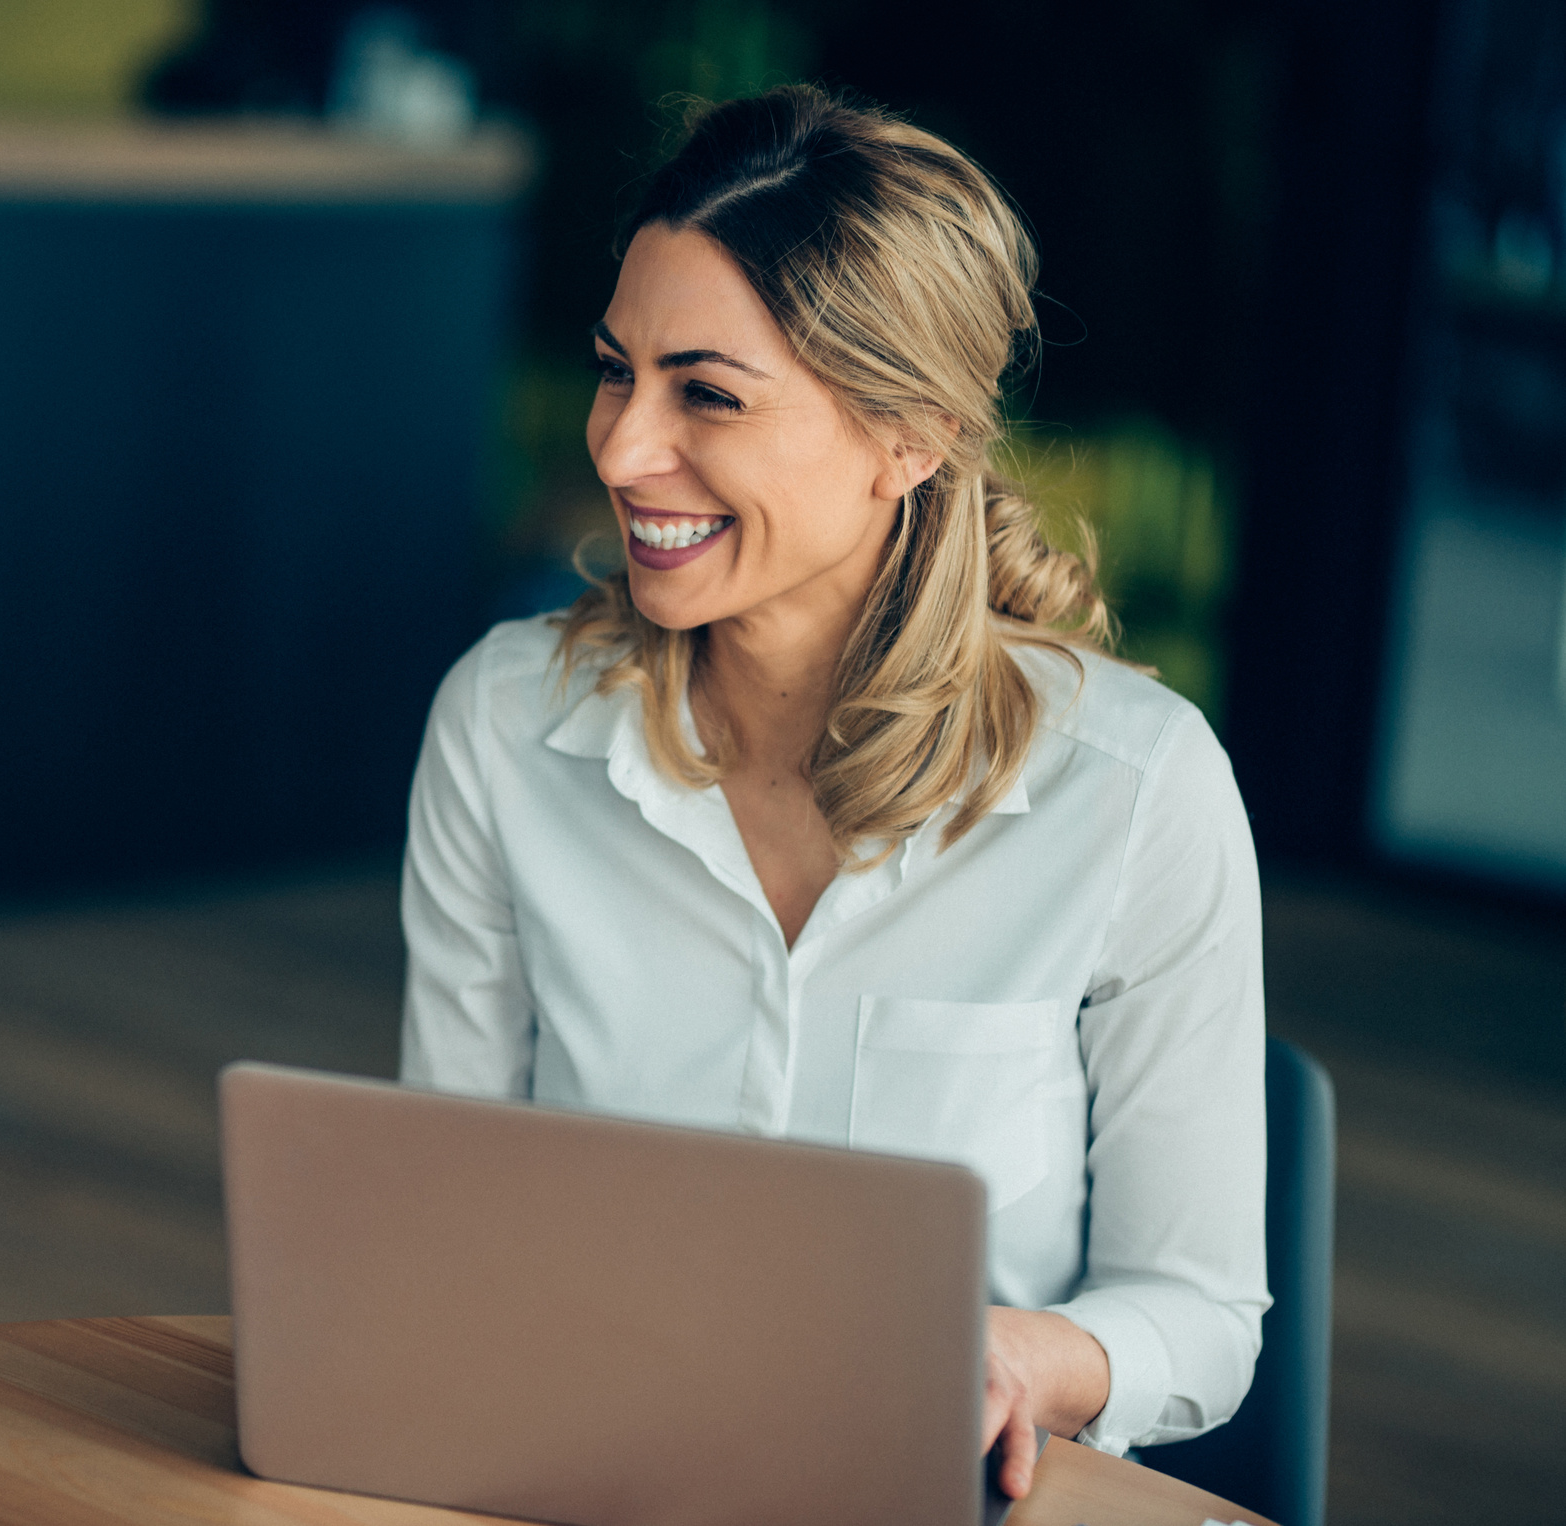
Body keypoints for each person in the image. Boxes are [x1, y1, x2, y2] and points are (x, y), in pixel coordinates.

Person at [397, 85, 1267, 1502]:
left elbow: (1198, 1313)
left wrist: (1024, 1357)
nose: (618, 449)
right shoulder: (502, 725)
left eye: (707, 394)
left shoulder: (1135, 790)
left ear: (908, 435)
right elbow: (440, 1210)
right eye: (616, 371)